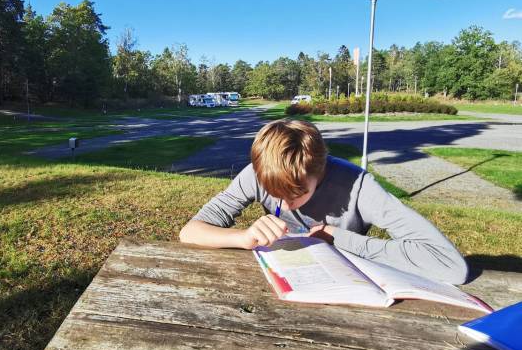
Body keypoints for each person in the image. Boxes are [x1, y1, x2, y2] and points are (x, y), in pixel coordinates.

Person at [179, 119, 468, 285]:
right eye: (274, 192)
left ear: (321, 170)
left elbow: (450, 266)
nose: (286, 205)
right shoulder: (257, 173)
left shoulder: (358, 186)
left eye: (297, 193)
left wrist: (340, 239)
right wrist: (243, 237)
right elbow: (190, 231)